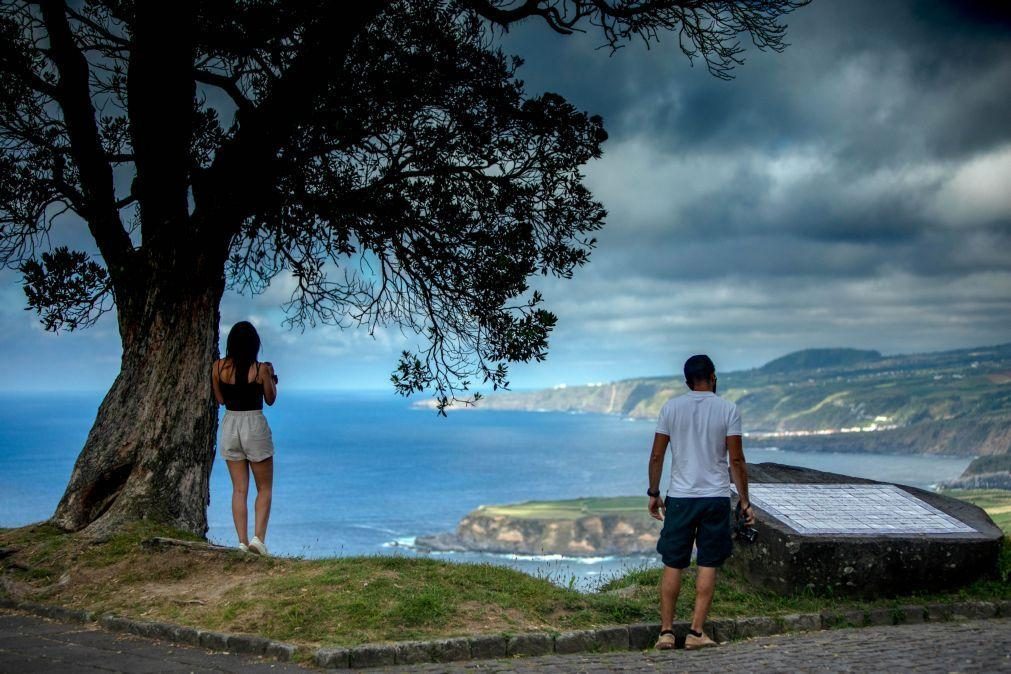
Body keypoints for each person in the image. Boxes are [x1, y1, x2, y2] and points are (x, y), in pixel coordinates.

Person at [647, 354, 754, 650]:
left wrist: (653, 492)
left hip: (680, 498)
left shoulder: (670, 408)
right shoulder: (728, 409)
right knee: (708, 562)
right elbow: (736, 459)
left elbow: (657, 455)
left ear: (687, 381)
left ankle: (666, 632)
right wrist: (745, 500)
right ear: (713, 376)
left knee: (673, 563)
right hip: (715, 497)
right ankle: (696, 633)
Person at [211, 321, 278, 555]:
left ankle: (241, 542)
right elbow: (270, 399)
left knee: (239, 489)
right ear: (254, 344)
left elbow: (219, 399)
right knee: (264, 488)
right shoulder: (260, 369)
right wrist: (269, 376)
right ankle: (257, 539)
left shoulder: (218, 367)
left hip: (230, 424)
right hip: (254, 425)